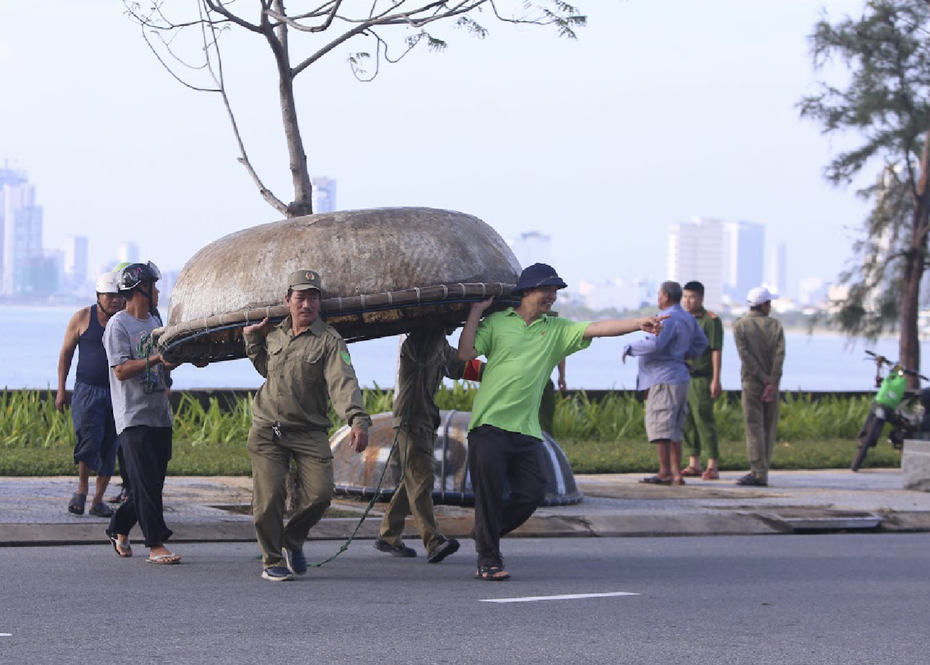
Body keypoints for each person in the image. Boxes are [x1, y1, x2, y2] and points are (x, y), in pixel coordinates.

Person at [458, 262, 665, 581]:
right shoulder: (497, 323)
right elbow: (465, 353)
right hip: (488, 425)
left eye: (555, 291)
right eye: (547, 289)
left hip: (525, 429)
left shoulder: (555, 330)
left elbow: (598, 327)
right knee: (490, 494)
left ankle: (487, 531)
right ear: (527, 292)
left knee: (533, 491)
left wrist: (638, 323)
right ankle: (489, 559)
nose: (553, 296)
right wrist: (475, 312)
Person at [243, 269, 371, 582]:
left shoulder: (329, 341)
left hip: (309, 430)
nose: (306, 304)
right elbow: (267, 371)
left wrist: (357, 420)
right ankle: (272, 558)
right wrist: (251, 339)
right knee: (269, 496)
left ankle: (293, 539)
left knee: (321, 494)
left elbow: (343, 382)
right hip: (268, 429)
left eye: (313, 297)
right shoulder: (274, 334)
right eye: (300, 297)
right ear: (287, 300)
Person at [374, 324, 482, 563]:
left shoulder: (440, 345)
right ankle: (433, 542)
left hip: (424, 421)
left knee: (412, 479)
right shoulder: (420, 342)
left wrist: (500, 370)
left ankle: (388, 535)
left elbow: (460, 366)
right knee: (422, 479)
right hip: (411, 422)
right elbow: (437, 357)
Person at [104, 261, 181, 563]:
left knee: (150, 482)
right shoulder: (118, 325)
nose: (159, 291)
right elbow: (121, 370)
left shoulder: (156, 321)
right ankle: (156, 545)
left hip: (159, 414)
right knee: (147, 482)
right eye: (154, 285)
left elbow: (165, 360)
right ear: (140, 289)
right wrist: (157, 358)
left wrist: (172, 358)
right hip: (132, 416)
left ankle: (118, 527)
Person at [623, 281, 708, 487]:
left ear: (666, 296)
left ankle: (665, 472)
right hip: (679, 376)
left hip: (663, 377)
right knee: (675, 427)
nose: (658, 298)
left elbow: (656, 343)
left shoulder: (667, 318)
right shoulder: (688, 317)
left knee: (661, 426)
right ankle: (676, 473)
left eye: (659, 294)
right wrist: (687, 354)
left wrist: (630, 348)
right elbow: (702, 342)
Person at [56, 272, 125, 518]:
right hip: (87, 390)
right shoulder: (83, 317)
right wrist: (61, 390)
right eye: (109, 296)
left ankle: (98, 500)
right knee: (88, 440)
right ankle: (81, 491)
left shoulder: (125, 320)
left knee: (110, 445)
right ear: (99, 296)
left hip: (118, 392)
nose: (115, 301)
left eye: (118, 296)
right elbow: (66, 353)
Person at [732, 286, 785, 487]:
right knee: (768, 428)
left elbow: (745, 356)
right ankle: (762, 470)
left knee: (754, 428)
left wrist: (762, 378)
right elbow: (780, 356)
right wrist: (772, 381)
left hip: (752, 382)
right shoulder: (776, 326)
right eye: (769, 303)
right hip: (772, 383)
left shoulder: (739, 326)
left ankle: (758, 471)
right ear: (763, 305)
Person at [680, 281, 724, 480]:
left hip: (702, 378)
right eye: (685, 297)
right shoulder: (681, 319)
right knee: (687, 421)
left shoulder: (710, 321)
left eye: (692, 297)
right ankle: (693, 463)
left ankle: (712, 464)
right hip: (683, 376)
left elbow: (716, 350)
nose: (688, 301)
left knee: (704, 421)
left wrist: (716, 379)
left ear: (701, 298)